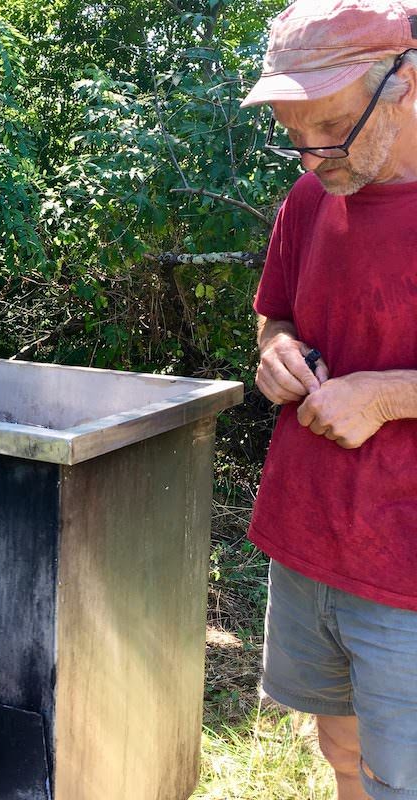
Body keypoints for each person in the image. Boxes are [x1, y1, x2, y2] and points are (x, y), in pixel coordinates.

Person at [241, 1, 417, 798]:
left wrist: (384, 397)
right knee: (341, 751)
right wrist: (276, 351)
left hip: (405, 567)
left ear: (405, 82)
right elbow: (277, 317)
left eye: (333, 127)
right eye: (293, 132)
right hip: (312, 539)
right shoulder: (308, 200)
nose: (313, 156)